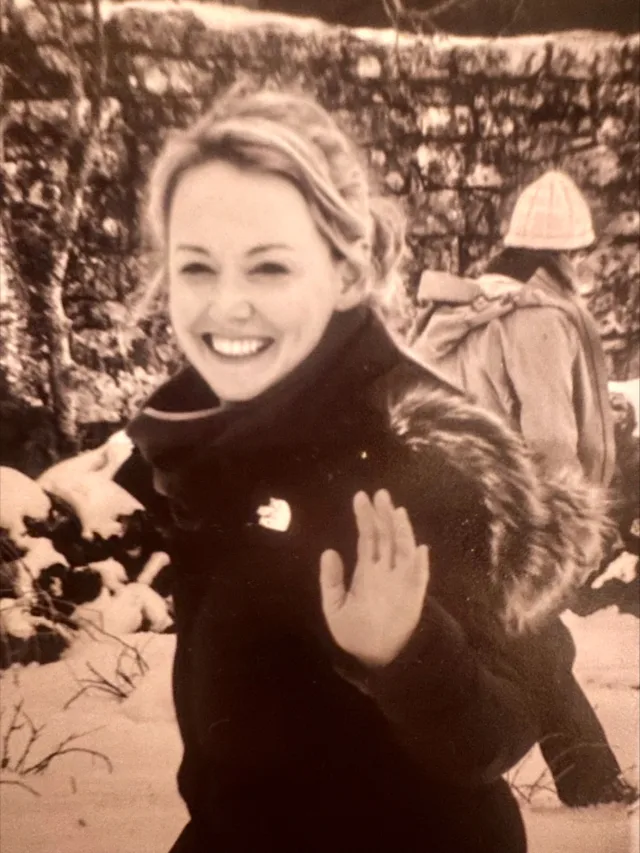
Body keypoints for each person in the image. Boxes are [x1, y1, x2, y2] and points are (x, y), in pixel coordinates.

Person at [112, 91, 610, 852]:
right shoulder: (203, 445)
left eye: (269, 265)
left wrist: (406, 650)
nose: (227, 304)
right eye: (197, 266)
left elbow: (498, 730)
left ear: (347, 273)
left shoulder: (427, 457)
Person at [412, 169, 634, 808]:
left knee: (519, 639)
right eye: (576, 254)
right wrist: (560, 523)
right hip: (507, 508)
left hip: (449, 499)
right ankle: (584, 780)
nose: (580, 267)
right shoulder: (539, 319)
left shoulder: (465, 309)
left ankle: (585, 776)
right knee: (535, 640)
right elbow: (550, 436)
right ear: (561, 256)